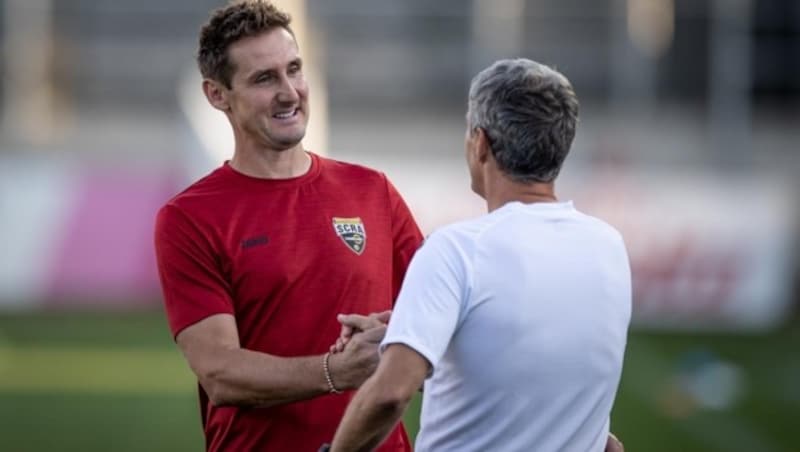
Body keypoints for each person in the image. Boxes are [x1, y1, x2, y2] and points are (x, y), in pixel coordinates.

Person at [153, 1, 422, 451]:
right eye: (264, 78)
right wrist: (336, 372)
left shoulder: (372, 190)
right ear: (217, 95)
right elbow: (220, 371)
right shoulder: (189, 218)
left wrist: (395, 332)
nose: (289, 91)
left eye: (294, 69)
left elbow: (438, 314)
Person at [328, 59, 632, 452]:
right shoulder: (608, 246)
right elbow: (536, 365)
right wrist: (412, 330)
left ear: (480, 143)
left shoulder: (456, 249)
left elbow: (391, 393)